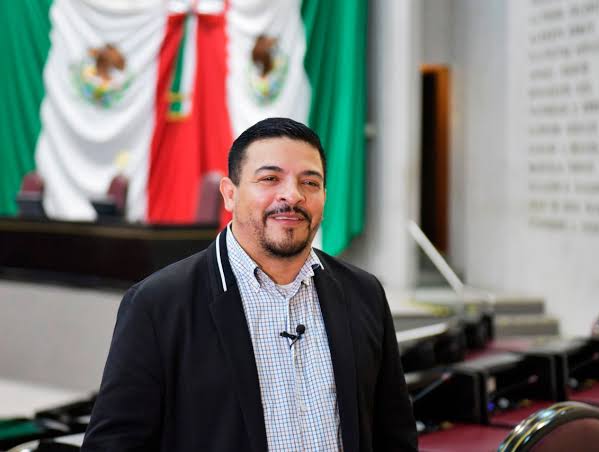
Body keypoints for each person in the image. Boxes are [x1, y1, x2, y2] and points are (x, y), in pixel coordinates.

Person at [81, 117, 417, 451]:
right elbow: (113, 446)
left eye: (310, 182)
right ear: (230, 194)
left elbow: (394, 435)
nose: (292, 195)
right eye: (270, 178)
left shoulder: (363, 293)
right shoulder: (158, 305)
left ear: (324, 196)